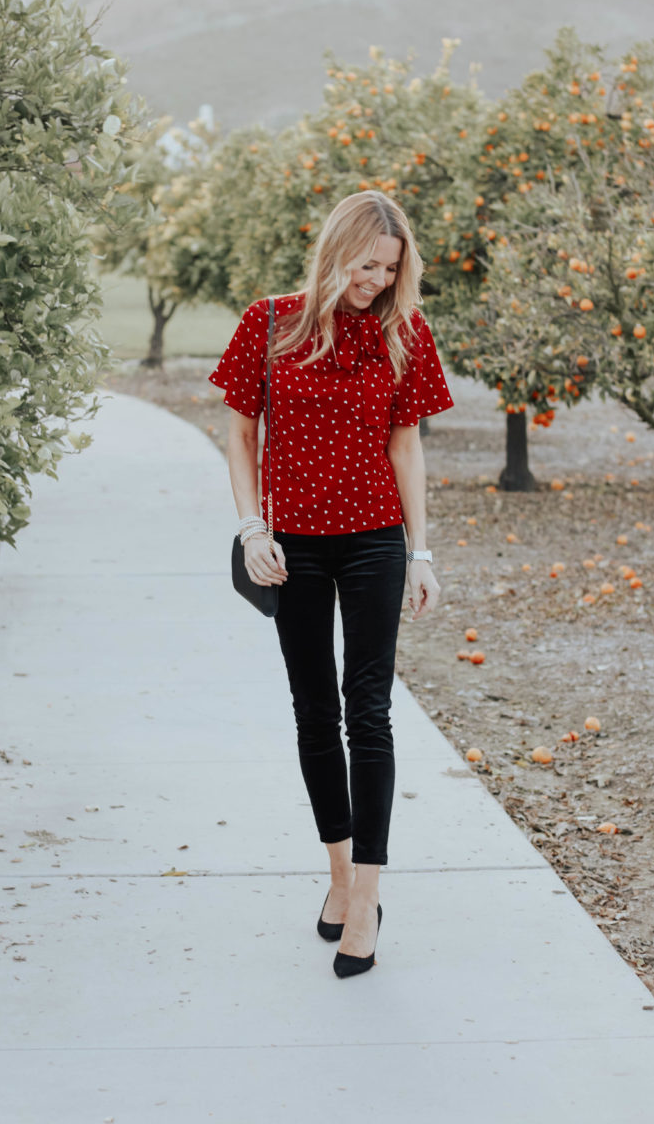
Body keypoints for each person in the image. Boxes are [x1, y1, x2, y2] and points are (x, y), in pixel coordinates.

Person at [208, 190, 454, 978]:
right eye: (368, 264)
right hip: (294, 547)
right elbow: (241, 431)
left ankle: (369, 901)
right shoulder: (271, 321)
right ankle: (341, 879)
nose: (377, 281)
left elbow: (406, 446)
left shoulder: (404, 331)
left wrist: (421, 553)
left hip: (376, 540)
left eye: (390, 269)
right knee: (314, 710)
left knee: (368, 711)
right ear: (336, 250)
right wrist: (252, 528)